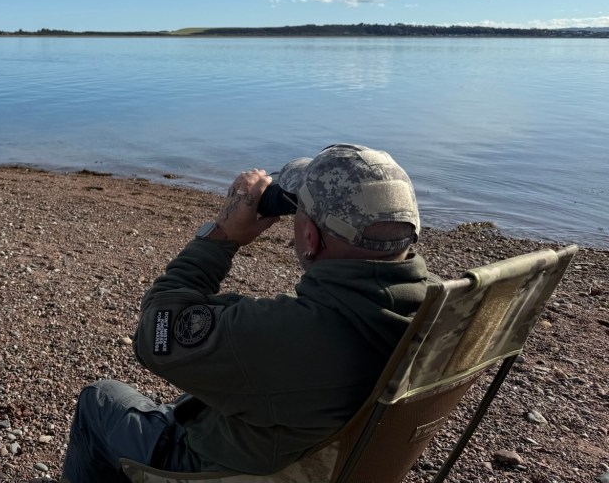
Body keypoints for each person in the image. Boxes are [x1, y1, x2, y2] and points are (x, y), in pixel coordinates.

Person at [60, 143, 431, 481]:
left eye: (299, 212)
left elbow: (155, 333)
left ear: (311, 238)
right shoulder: (435, 312)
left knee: (100, 399)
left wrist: (221, 235)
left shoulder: (289, 333)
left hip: (218, 470)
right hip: (323, 461)